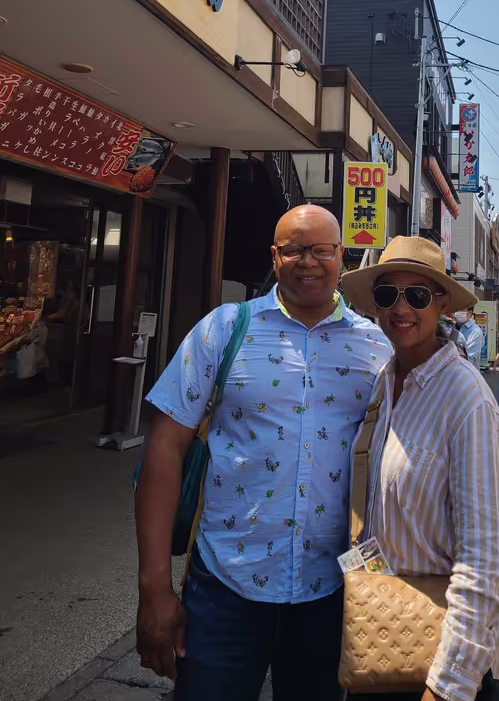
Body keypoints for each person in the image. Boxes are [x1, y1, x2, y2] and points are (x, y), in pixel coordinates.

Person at [135, 205, 391, 701]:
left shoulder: (375, 347)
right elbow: (165, 447)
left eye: (321, 250)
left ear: (342, 256)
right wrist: (154, 587)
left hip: (332, 591)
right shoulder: (224, 329)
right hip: (224, 585)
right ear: (275, 256)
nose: (308, 261)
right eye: (294, 250)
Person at [342, 237, 499, 701]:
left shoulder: (467, 400)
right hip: (381, 632)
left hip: (439, 660)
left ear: (441, 305)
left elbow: (484, 564)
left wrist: (449, 685)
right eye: (387, 294)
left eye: (416, 295)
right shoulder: (385, 380)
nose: (401, 308)